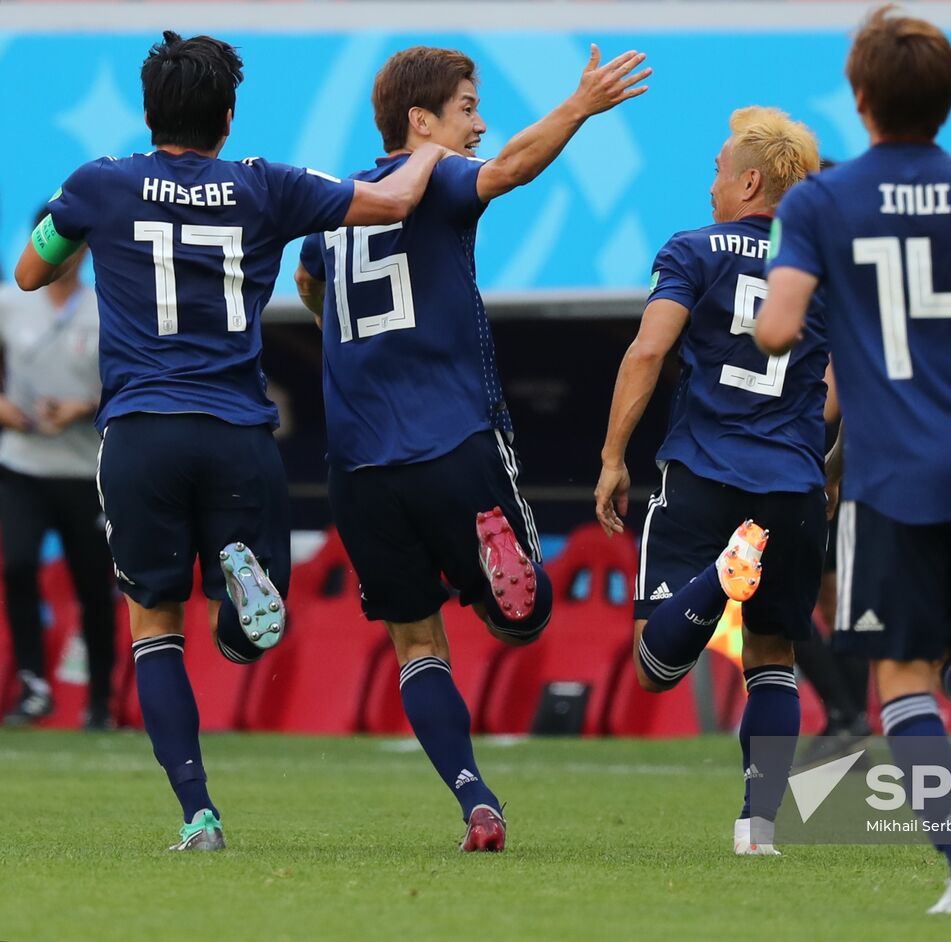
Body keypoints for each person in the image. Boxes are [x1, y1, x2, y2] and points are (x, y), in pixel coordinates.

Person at [13, 31, 450, 852]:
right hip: (237, 431)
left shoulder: (100, 183)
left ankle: (198, 813)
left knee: (153, 624)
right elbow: (392, 204)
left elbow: (32, 275)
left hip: (141, 433)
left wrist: (76, 233)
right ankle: (238, 595)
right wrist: (424, 147)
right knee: (248, 638)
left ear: (149, 112)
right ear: (228, 114)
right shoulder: (264, 187)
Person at [295, 44, 650, 852]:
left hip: (358, 468)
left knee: (417, 646)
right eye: (466, 107)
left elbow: (308, 280)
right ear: (421, 123)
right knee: (523, 624)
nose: (480, 123)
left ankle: (475, 801)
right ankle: (498, 567)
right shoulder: (437, 176)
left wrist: (336, 337)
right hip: (453, 441)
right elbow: (513, 168)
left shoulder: (336, 205)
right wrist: (580, 106)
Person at [755, 6, 951, 914]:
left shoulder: (821, 202)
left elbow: (777, 327)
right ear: (947, 99)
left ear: (861, 96)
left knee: (901, 681)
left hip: (895, 477)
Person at [594, 106, 826, 855]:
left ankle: (720, 577)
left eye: (719, 169)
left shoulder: (694, 250)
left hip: (703, 471)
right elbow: (839, 390)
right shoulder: (821, 267)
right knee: (774, 658)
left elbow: (647, 351)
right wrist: (821, 463)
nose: (712, 182)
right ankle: (758, 828)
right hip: (791, 482)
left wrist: (611, 457)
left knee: (655, 665)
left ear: (750, 179)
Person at [0, 211, 114, 729]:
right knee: (18, 565)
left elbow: (132, 381)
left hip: (84, 469)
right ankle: (34, 684)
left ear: (85, 251)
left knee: (94, 585)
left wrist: (83, 406)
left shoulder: (104, 308)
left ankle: (99, 701)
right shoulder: (11, 301)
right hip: (23, 462)